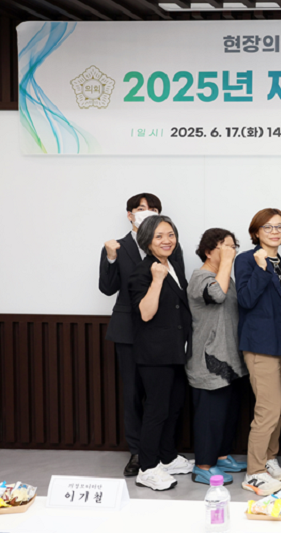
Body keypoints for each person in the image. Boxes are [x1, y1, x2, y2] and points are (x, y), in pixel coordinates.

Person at [99, 193, 182, 476]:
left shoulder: (170, 246)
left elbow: (178, 288)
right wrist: (111, 258)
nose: (148, 212)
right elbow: (107, 288)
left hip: (163, 332)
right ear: (130, 214)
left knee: (165, 395)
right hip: (129, 331)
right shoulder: (117, 246)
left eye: (154, 209)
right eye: (142, 208)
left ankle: (163, 454)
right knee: (134, 393)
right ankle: (138, 453)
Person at [127, 215, 195, 491]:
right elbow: (145, 313)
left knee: (174, 406)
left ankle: (167, 458)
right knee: (156, 411)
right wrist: (156, 281)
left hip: (175, 351)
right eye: (159, 236)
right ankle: (147, 468)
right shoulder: (143, 272)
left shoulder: (173, 264)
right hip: (154, 354)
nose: (167, 240)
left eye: (170, 235)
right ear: (146, 241)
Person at [235, 208, 281, 495]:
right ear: (256, 232)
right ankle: (254, 472)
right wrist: (260, 268)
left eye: (280, 226)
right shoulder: (247, 259)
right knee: (267, 409)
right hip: (260, 345)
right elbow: (245, 300)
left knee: (279, 408)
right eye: (267, 227)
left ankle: (270, 458)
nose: (274, 231)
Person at [186, 228, 249, 486]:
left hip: (230, 360)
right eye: (224, 246)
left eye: (233, 246)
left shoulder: (226, 278)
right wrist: (226, 263)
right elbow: (217, 295)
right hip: (208, 362)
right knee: (209, 418)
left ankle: (221, 457)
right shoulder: (200, 278)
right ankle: (203, 466)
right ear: (208, 251)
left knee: (227, 414)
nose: (231, 251)